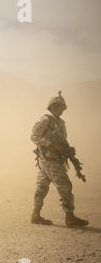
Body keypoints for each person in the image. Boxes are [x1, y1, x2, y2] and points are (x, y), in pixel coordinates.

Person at [31, 91, 89, 227]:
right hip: (49, 159)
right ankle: (70, 217)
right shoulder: (45, 120)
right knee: (65, 185)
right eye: (58, 107)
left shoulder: (60, 123)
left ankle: (35, 215)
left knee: (42, 187)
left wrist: (68, 150)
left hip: (53, 159)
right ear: (51, 107)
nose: (61, 110)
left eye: (62, 108)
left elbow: (63, 140)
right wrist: (53, 145)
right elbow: (34, 136)